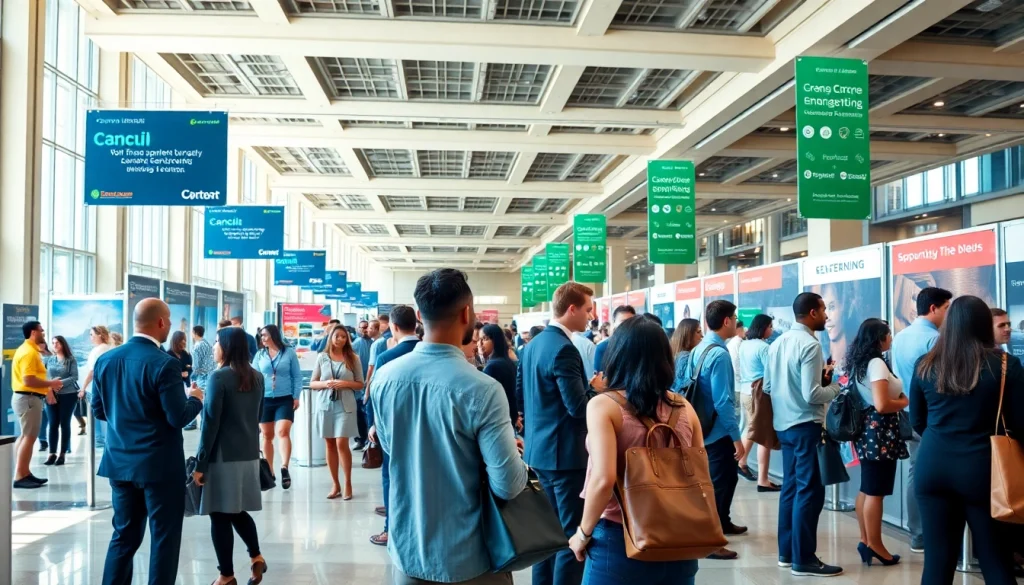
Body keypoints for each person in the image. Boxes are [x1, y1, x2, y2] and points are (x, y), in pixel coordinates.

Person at [372, 269, 526, 584]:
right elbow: (508, 484)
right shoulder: (482, 389)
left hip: (409, 551)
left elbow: (393, 449)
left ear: (418, 315)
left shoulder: (384, 379)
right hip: (471, 558)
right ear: (467, 313)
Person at [569, 315, 702, 585]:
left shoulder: (603, 406)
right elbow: (700, 471)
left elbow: (604, 479)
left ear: (618, 355)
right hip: (680, 541)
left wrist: (582, 533)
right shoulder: (684, 407)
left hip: (620, 541)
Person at [911, 295, 1024, 585]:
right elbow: (1020, 423)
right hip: (983, 470)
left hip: (932, 466)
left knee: (937, 562)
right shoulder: (1004, 365)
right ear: (984, 325)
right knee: (996, 559)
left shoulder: (926, 364)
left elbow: (917, 421)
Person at [91, 298, 205, 585]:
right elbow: (178, 417)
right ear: (162, 323)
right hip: (159, 467)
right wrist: (196, 399)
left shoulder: (106, 360)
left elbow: (98, 410)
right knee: (164, 538)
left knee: (124, 536)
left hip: (119, 463)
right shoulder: (164, 364)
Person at [518, 282, 596, 585]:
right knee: (569, 537)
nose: (591, 316)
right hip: (565, 456)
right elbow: (577, 407)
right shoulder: (564, 349)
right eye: (588, 310)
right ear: (572, 309)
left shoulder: (535, 344)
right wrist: (598, 393)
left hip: (539, 453)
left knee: (547, 535)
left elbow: (525, 395)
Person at [763, 292, 842, 577]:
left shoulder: (778, 342)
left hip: (784, 426)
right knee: (810, 492)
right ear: (811, 313)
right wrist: (836, 387)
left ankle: (788, 553)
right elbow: (812, 395)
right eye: (823, 310)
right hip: (807, 426)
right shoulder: (810, 345)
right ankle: (804, 559)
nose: (826, 315)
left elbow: (769, 386)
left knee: (792, 489)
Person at [193, 326, 267, 585]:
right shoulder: (257, 376)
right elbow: (257, 416)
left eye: (216, 342)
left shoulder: (219, 377)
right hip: (248, 454)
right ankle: (256, 557)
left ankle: (226, 575)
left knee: (219, 514)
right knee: (235, 510)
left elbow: (210, 423)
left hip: (222, 457)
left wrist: (200, 463)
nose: (214, 347)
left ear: (227, 347)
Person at [678, 300, 744, 559]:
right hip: (717, 431)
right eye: (735, 318)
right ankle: (711, 540)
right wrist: (736, 437)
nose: (737, 322)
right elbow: (723, 401)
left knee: (725, 480)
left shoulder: (700, 348)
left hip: (701, 426)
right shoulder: (718, 353)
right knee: (718, 484)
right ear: (726, 321)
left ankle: (723, 523)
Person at [890, 286, 952, 554]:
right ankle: (934, 533)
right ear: (933, 308)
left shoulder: (900, 337)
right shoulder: (935, 340)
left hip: (909, 414)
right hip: (933, 417)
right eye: (947, 309)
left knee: (916, 471)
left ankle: (918, 532)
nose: (949, 315)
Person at [844, 318, 908, 567]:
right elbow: (882, 404)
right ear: (879, 338)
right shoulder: (877, 364)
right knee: (875, 492)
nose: (891, 338)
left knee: (867, 488)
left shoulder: (860, 363)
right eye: (888, 334)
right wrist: (904, 402)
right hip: (880, 432)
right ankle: (876, 545)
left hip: (869, 432)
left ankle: (866, 540)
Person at [366, 305, 421, 547]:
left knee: (391, 475)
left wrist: (373, 425)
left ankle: (390, 529)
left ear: (394, 327)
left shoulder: (386, 357)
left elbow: (375, 395)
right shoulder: (429, 352)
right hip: (424, 427)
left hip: (393, 426)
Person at [309, 324, 364, 501]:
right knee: (330, 444)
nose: (340, 339)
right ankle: (335, 484)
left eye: (344, 336)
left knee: (342, 442)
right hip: (325, 404)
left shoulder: (353, 358)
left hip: (346, 405)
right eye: (337, 336)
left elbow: (360, 383)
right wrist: (326, 384)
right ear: (331, 336)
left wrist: (344, 383)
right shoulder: (322, 358)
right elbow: (313, 383)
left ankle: (348, 482)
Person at [11, 321, 61, 488]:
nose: (43, 333)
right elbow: (28, 379)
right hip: (28, 399)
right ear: (33, 332)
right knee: (29, 438)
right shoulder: (29, 353)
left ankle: (24, 472)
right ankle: (20, 476)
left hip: (26, 399)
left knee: (25, 437)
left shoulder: (29, 350)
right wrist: (50, 384)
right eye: (41, 330)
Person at [253, 324, 302, 490]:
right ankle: (270, 471)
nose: (263, 338)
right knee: (266, 435)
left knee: (282, 431)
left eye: (265, 335)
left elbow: (297, 376)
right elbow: (254, 376)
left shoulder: (288, 353)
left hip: (285, 398)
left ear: (273, 335)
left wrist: (296, 396)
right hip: (264, 399)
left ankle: (284, 467)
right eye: (261, 336)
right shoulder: (260, 355)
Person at [737, 314, 779, 491]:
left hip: (746, 391)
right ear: (763, 328)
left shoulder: (744, 344)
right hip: (759, 394)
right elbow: (770, 375)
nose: (772, 330)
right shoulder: (763, 347)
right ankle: (762, 478)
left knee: (752, 429)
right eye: (770, 326)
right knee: (763, 436)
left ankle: (742, 461)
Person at [42, 335, 79, 466]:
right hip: (51, 394)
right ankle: (52, 453)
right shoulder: (49, 360)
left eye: (57, 343)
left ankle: (62, 454)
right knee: (52, 424)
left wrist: (57, 383)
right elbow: (44, 376)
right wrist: (51, 386)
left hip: (68, 395)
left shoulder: (71, 360)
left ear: (63, 344)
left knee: (65, 423)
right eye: (53, 343)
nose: (55, 345)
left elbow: (74, 377)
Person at [480, 323, 518, 429]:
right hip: (509, 417)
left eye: (485, 339)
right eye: (479, 340)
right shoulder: (506, 361)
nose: (480, 343)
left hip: (497, 422)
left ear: (495, 340)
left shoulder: (493, 366)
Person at [80, 325, 113, 444]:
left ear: (100, 335)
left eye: (92, 335)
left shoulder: (99, 350)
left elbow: (93, 371)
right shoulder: (109, 348)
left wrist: (83, 387)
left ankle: (99, 439)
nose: (90, 338)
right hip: (105, 387)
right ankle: (102, 438)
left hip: (96, 388)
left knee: (96, 415)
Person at [350, 319, 373, 451]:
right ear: (358, 329)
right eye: (362, 327)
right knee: (358, 414)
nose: (364, 330)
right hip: (358, 385)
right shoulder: (355, 345)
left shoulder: (375, 343)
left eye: (366, 327)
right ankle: (360, 439)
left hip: (371, 383)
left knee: (368, 413)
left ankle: (370, 440)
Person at [189, 325, 217, 431]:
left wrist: (191, 375)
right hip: (210, 376)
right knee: (207, 402)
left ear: (195, 332)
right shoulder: (207, 344)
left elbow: (195, 366)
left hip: (201, 377)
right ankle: (206, 425)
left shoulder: (196, 346)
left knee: (198, 400)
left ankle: (197, 424)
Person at [593, 305, 636, 374]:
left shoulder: (640, 345)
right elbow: (599, 378)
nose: (628, 325)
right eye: (623, 322)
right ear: (614, 323)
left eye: (631, 322)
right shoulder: (603, 348)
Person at [669, 318, 703, 396]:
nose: (702, 335)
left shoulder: (676, 354)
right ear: (688, 335)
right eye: (698, 332)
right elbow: (682, 389)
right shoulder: (685, 357)